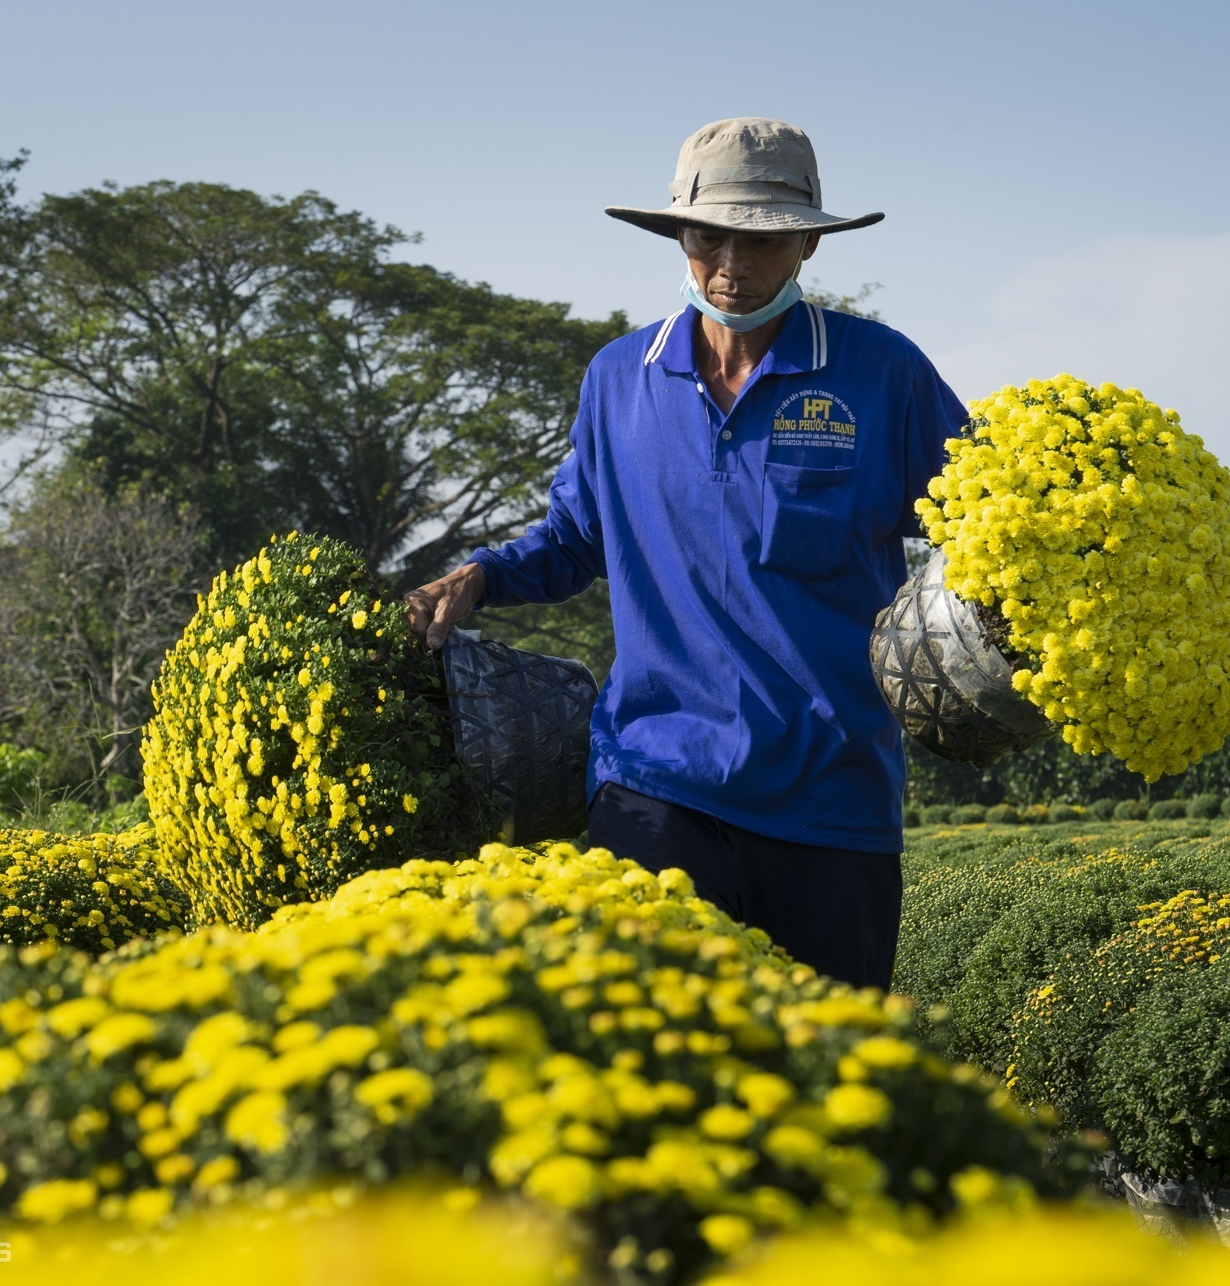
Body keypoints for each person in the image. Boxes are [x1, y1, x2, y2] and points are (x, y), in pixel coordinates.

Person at [405, 118, 966, 989]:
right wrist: (480, 575)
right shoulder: (620, 377)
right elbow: (573, 538)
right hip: (655, 782)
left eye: (761, 240)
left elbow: (983, 519)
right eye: (710, 237)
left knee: (821, 1084)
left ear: (809, 242)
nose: (731, 265)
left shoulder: (882, 375)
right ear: (680, 235)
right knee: (653, 1069)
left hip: (832, 799)